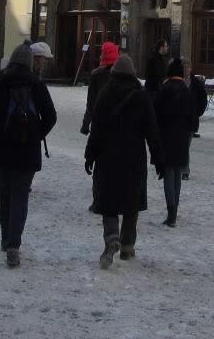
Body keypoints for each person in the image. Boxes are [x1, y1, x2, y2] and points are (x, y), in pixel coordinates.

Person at [0, 43, 57, 268]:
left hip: (2, 149)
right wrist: (36, 134)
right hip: (27, 150)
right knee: (20, 197)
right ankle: (14, 244)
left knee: (4, 195)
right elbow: (51, 116)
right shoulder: (36, 83)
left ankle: (5, 238)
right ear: (31, 62)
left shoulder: (0, 82)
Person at [85, 54, 164, 267]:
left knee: (109, 200)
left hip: (107, 156)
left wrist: (89, 156)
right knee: (131, 202)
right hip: (133, 157)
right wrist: (158, 159)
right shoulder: (141, 96)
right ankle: (128, 246)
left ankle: (112, 238)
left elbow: (97, 129)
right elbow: (152, 131)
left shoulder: (105, 94)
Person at [153, 57, 198, 227]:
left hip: (166, 136)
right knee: (178, 173)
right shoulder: (186, 92)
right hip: (182, 137)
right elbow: (193, 116)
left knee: (168, 174)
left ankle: (171, 211)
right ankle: (175, 208)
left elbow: (155, 113)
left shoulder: (165, 90)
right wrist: (190, 130)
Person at [81, 40, 119, 135]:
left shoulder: (97, 75)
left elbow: (91, 102)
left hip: (100, 121)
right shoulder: (122, 74)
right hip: (119, 123)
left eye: (102, 52)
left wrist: (86, 122)